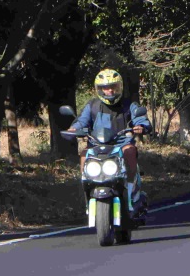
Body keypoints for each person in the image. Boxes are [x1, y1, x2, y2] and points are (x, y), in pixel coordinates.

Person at [64, 69, 152, 210]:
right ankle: (87, 189)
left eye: (113, 87)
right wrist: (74, 129)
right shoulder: (92, 106)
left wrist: (142, 126)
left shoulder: (129, 105)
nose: (109, 91)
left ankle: (131, 192)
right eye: (105, 88)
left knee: (130, 151)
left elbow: (140, 118)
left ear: (119, 87)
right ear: (99, 89)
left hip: (121, 145)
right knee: (83, 154)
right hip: (97, 145)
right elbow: (81, 121)